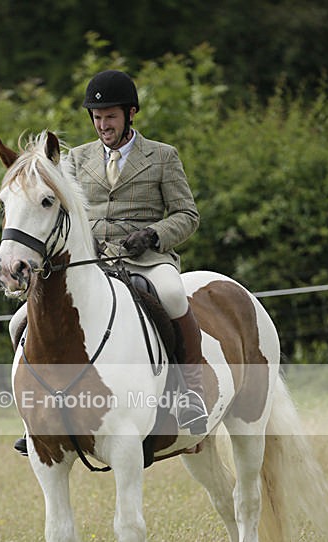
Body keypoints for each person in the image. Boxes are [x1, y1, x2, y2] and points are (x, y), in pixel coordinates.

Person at [13, 69, 207, 455]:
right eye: (98, 117)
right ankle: (32, 418)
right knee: (19, 320)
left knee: (172, 296)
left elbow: (188, 215)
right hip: (92, 263)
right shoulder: (76, 159)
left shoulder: (163, 156)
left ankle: (190, 393)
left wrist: (153, 235)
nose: (104, 125)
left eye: (111, 117)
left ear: (130, 114)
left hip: (146, 259)